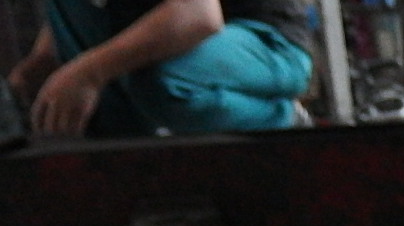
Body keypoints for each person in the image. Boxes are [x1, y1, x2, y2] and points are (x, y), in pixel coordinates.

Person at [6, 0, 312, 137]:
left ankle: (280, 119)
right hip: (173, 43)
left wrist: (86, 73)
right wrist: (44, 60)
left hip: (265, 42)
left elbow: (199, 15)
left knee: (160, 82)